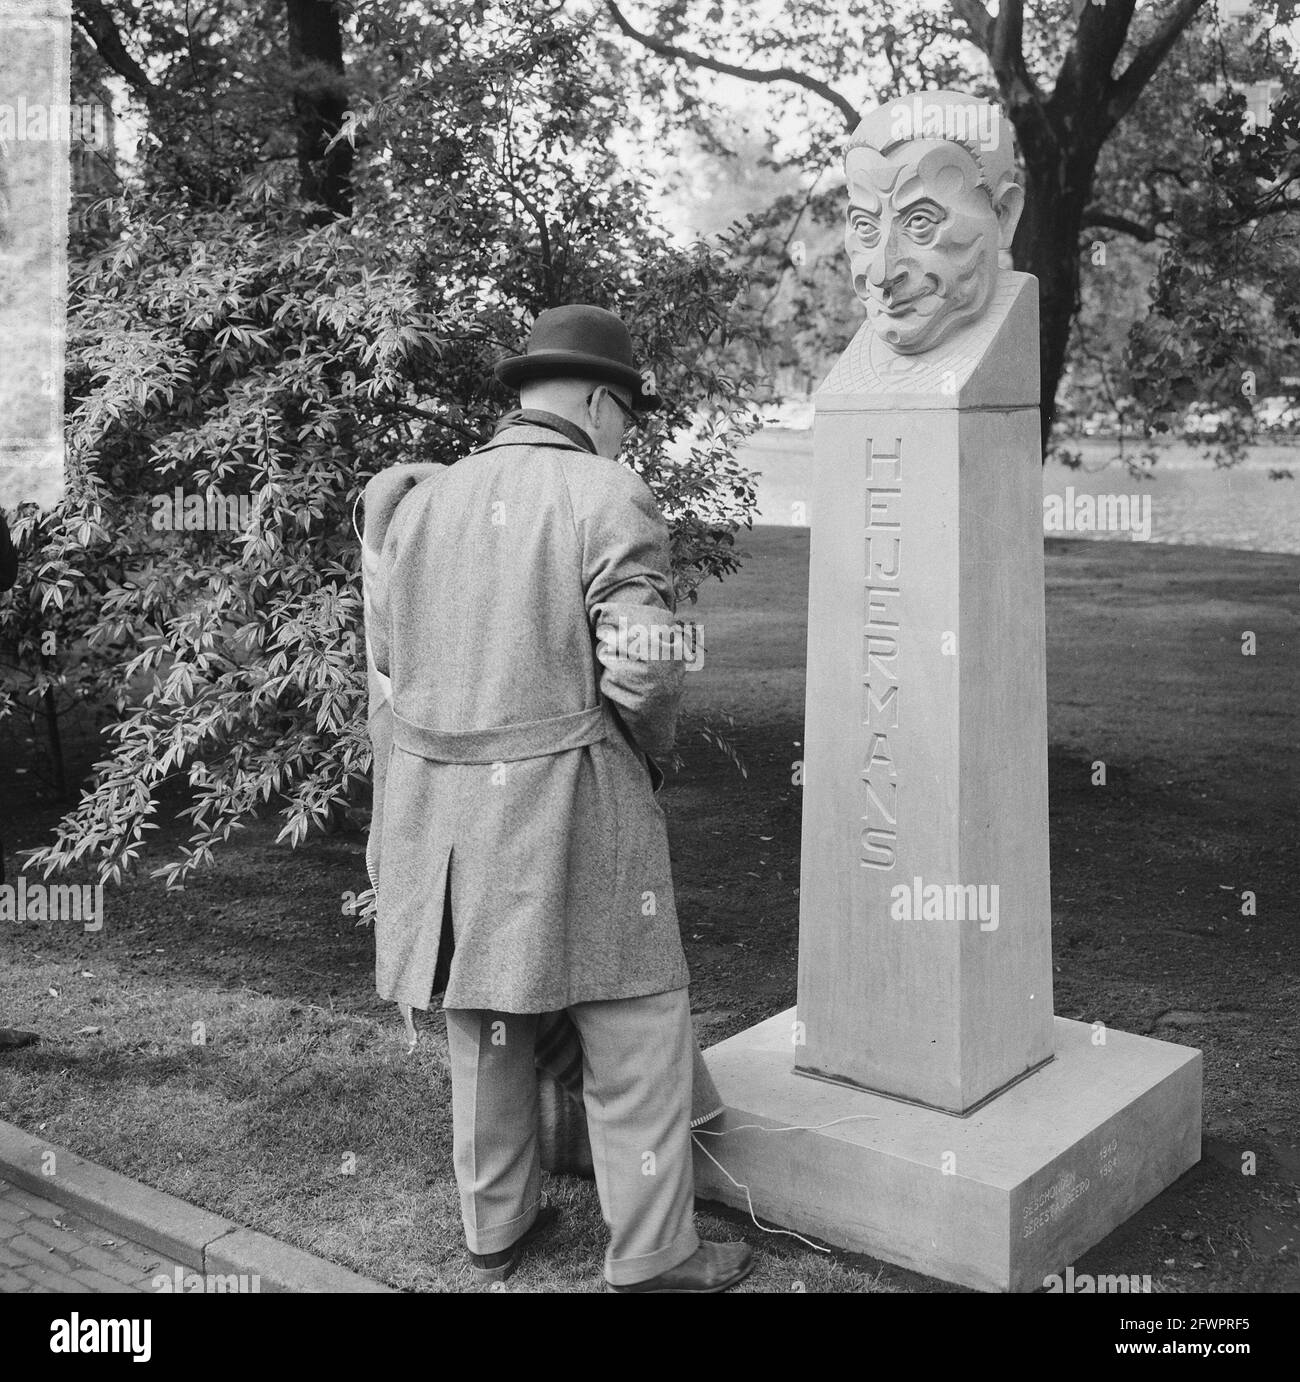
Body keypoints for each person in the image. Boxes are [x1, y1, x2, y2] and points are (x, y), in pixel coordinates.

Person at [364, 304, 753, 1293]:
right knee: (636, 1027)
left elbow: (385, 661)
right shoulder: (606, 489)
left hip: (440, 817)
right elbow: (645, 663)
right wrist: (650, 754)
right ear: (596, 399)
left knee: (487, 1022)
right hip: (574, 804)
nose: (630, 432)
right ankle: (655, 1255)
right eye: (629, 412)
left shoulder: (418, 499)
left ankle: (492, 1229)